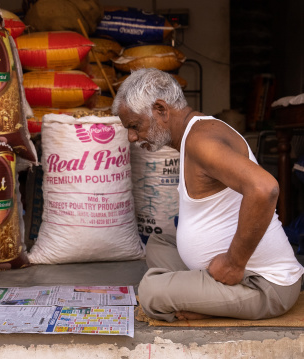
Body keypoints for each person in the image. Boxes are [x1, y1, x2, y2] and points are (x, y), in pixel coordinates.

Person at [112, 68, 304, 322]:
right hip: (230, 269)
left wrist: (234, 263)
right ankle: (204, 292)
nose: (132, 137)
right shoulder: (194, 133)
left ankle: (205, 299)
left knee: (151, 292)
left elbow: (264, 188)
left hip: (264, 285)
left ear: (161, 109)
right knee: (159, 244)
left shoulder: (202, 141)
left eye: (135, 126)